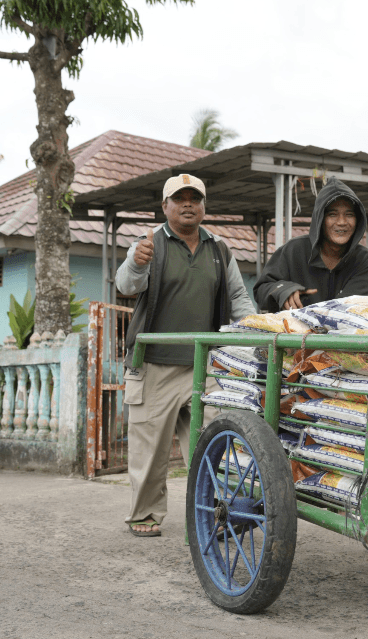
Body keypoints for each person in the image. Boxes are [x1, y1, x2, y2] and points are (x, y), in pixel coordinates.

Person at [116, 173, 256, 538]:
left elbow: (240, 299)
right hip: (154, 364)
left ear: (204, 206)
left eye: (195, 198)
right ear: (165, 207)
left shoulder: (220, 250)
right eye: (179, 198)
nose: (188, 204)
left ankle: (216, 515)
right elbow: (125, 285)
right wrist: (136, 262)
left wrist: (255, 334)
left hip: (204, 365)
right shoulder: (148, 245)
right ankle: (144, 514)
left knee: (214, 446)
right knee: (150, 452)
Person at [254, 176, 368, 311]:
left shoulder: (364, 261)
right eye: (332, 214)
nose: (342, 222)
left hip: (341, 331)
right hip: (291, 331)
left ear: (358, 220)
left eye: (349, 215)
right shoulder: (293, 250)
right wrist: (283, 291)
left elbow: (344, 310)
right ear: (320, 219)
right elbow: (260, 291)